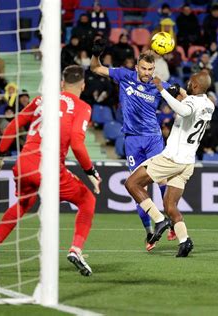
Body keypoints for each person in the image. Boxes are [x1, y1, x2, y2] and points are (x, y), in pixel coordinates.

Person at [0, 65, 101, 276]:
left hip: (23, 164)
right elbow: (78, 145)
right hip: (49, 168)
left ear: (62, 84)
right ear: (83, 85)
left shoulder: (41, 100)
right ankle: (76, 250)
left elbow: (13, 125)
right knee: (87, 200)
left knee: (24, 203)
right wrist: (90, 172)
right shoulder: (82, 107)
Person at [90, 40, 177, 251]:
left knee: (163, 179)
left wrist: (192, 99)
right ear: (136, 67)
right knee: (138, 187)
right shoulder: (123, 75)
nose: (147, 73)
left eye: (150, 69)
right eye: (144, 69)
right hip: (132, 140)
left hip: (153, 138)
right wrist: (96, 54)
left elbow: (182, 95)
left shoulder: (158, 84)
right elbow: (95, 68)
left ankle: (172, 221)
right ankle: (150, 232)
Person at [124, 71, 215, 257]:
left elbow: (184, 109)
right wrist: (181, 91)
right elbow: (191, 103)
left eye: (190, 82)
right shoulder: (209, 104)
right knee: (170, 206)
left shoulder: (189, 103)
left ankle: (158, 220)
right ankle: (184, 240)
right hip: (188, 163)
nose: (188, 83)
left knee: (132, 183)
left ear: (196, 86)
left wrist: (162, 90)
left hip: (172, 159)